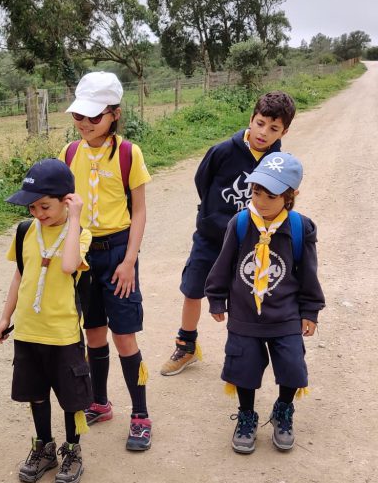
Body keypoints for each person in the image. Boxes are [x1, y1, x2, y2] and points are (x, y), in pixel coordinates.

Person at [160, 90, 296, 377]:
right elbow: (202, 181)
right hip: (210, 238)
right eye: (260, 123)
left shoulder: (278, 162)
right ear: (251, 118)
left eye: (274, 129)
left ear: (284, 130)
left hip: (249, 242)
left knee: (244, 297)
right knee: (193, 289)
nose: (264, 132)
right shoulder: (222, 151)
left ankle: (244, 351)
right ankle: (186, 346)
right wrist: (213, 218)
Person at [204, 152, 325, 454]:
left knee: (292, 367)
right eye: (256, 191)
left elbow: (308, 273)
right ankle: (246, 414)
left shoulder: (300, 228)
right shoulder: (241, 223)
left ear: (291, 195)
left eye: (271, 195)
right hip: (245, 316)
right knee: (243, 368)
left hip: (285, 316)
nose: (261, 200)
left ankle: (283, 409)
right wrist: (216, 297)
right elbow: (225, 263)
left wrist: (310, 310)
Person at [61, 71, 153, 452]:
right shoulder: (68, 154)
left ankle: (141, 414)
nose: (84, 125)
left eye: (93, 117)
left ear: (114, 114)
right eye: (79, 117)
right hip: (84, 254)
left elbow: (140, 211)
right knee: (93, 334)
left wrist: (129, 261)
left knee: (124, 337)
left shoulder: (129, 153)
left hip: (118, 254)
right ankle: (100, 401)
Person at [0, 159, 93, 483]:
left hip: (62, 332)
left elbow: (67, 266)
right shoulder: (26, 231)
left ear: (67, 200)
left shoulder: (79, 233)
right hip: (28, 329)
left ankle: (72, 450)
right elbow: (19, 275)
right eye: (33, 207)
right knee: (35, 393)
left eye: (45, 206)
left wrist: (76, 217)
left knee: (70, 397)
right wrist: (6, 316)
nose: (38, 213)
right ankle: (44, 446)